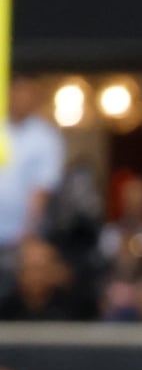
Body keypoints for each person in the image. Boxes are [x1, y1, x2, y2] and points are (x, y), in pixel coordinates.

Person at [0, 74, 65, 256]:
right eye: (17, 93)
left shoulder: (46, 137)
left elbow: (41, 191)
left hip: (21, 235)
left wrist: (29, 235)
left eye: (27, 94)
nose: (22, 99)